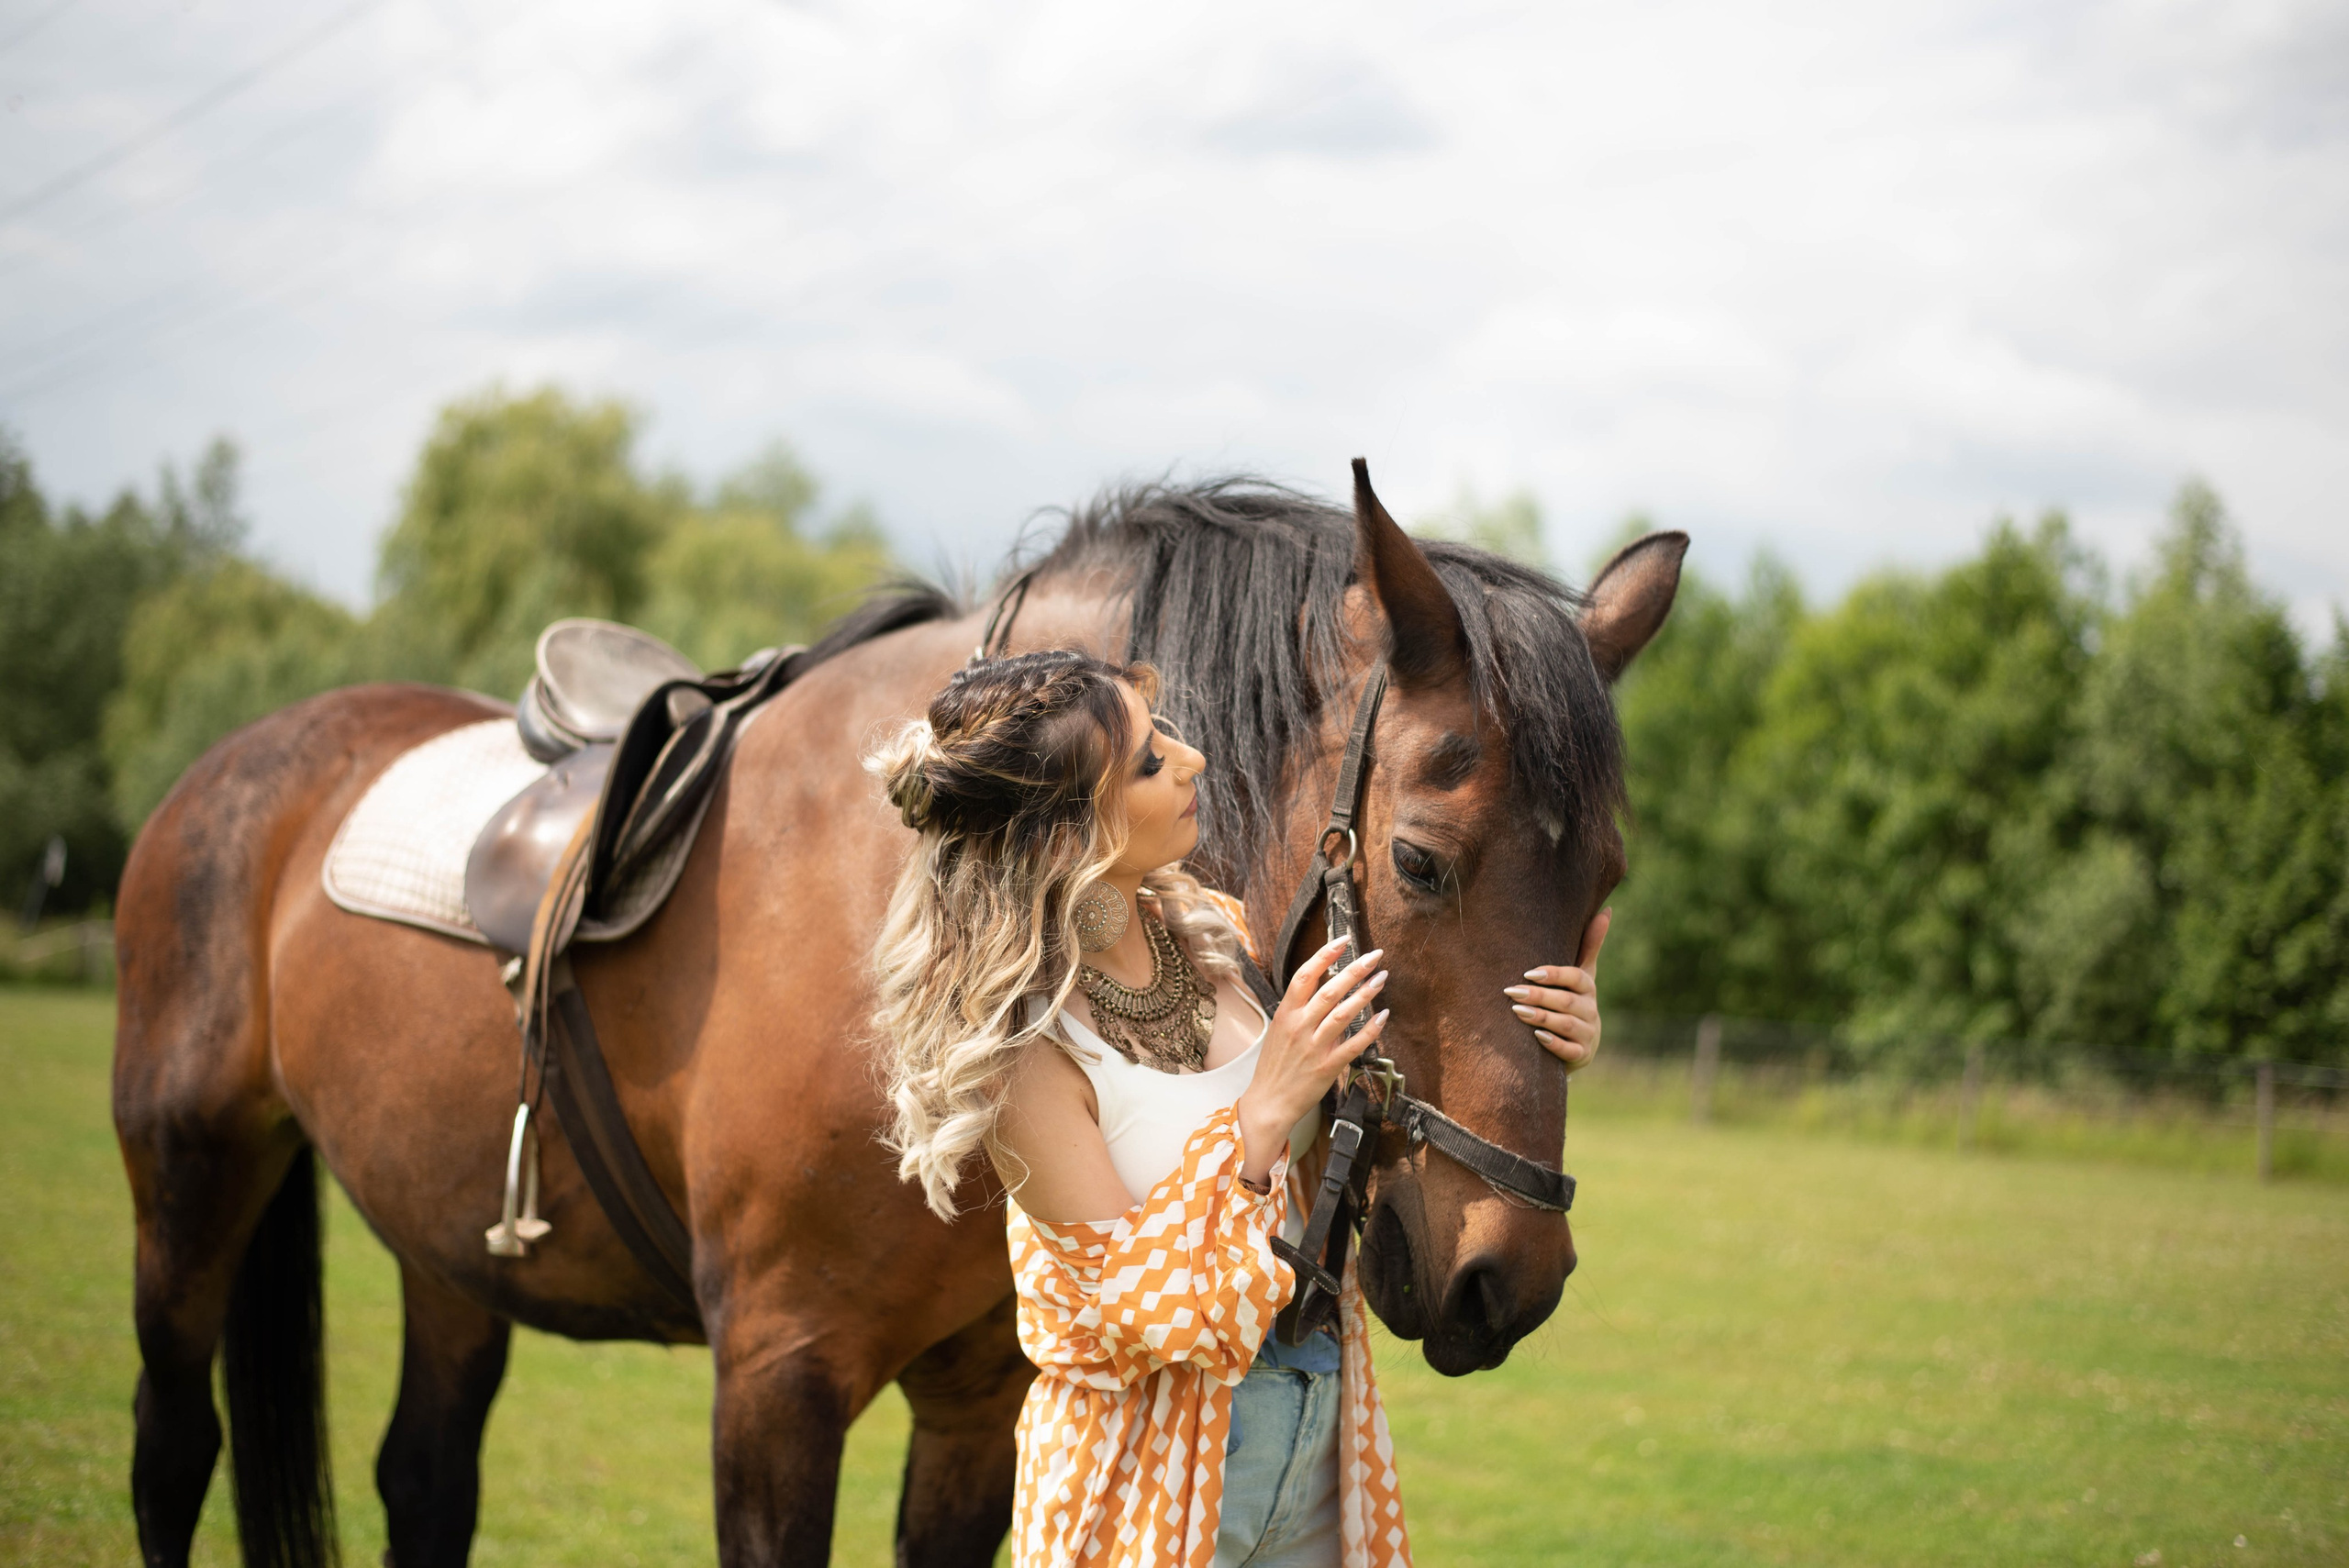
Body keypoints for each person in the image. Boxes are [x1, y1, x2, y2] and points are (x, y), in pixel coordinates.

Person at [869, 650, 1607, 1568]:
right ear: (1064, 834)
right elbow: (1128, 1314)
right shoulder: (1020, 1052)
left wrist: (1538, 1025)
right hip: (1141, 1481)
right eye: (1147, 761)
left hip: (1320, 1435)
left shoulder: (1222, 938)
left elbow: (1386, 1078)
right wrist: (1259, 1116)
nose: (1193, 761)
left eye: (1166, 734)